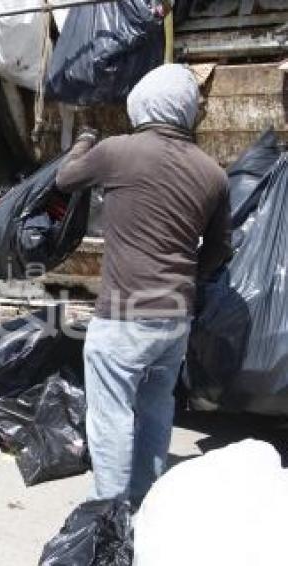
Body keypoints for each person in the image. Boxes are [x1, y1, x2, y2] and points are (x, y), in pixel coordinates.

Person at [55, 64, 232, 505]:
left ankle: (112, 517)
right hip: (175, 318)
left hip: (123, 318)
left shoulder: (118, 151)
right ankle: (146, 503)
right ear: (187, 110)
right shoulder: (213, 173)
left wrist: (84, 139)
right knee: (155, 409)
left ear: (142, 101)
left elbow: (64, 179)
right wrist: (185, 275)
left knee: (111, 416)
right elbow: (218, 250)